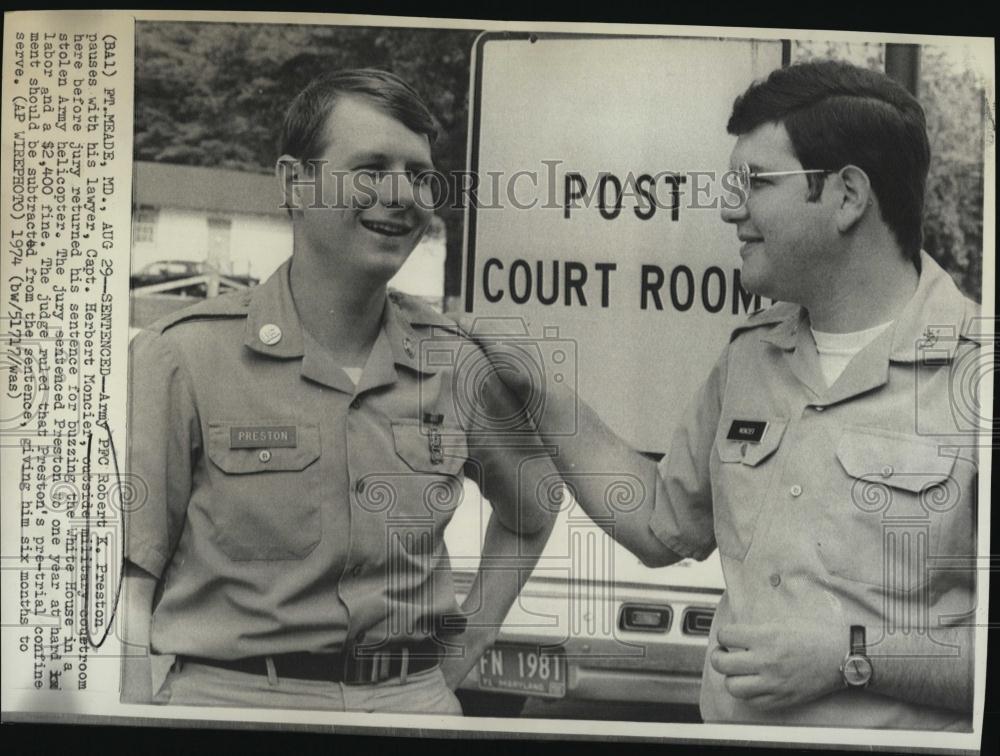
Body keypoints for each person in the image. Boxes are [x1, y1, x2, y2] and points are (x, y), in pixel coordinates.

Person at [469, 60, 980, 729]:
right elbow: (658, 521)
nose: (728, 207)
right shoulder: (749, 356)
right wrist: (542, 392)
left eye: (758, 182)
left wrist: (849, 655)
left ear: (848, 197)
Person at [122, 68, 556, 713]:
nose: (402, 194)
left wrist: (457, 655)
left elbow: (532, 508)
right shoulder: (184, 353)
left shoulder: (457, 361)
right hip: (232, 705)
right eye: (372, 168)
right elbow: (129, 582)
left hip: (413, 706)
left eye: (417, 174)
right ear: (295, 184)